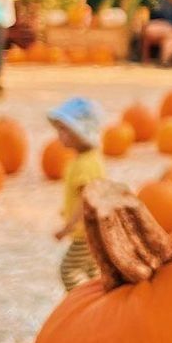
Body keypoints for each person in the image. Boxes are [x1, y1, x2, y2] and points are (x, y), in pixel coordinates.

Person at [48, 97, 105, 291]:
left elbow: (86, 201)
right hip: (92, 232)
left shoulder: (85, 165)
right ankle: (100, 305)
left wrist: (67, 228)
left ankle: (82, 306)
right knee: (92, 272)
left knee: (69, 269)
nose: (59, 136)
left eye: (64, 130)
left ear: (81, 132)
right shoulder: (88, 159)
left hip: (84, 233)